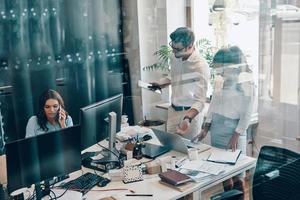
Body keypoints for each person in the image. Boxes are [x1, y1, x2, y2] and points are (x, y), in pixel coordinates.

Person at [192, 46, 255, 198]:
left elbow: (247, 112)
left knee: (237, 174)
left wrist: (236, 135)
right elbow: (214, 104)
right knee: (222, 174)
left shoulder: (246, 82)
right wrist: (206, 128)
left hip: (234, 131)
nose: (218, 72)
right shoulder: (220, 80)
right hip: (217, 130)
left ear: (231, 66)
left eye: (220, 68)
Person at [152, 27, 210, 139]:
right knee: (169, 148)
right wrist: (160, 83)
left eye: (177, 49)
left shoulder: (200, 66)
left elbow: (200, 101)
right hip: (173, 111)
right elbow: (173, 76)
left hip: (189, 115)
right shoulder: (174, 57)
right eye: (172, 47)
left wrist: (187, 119)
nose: (173, 51)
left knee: (187, 152)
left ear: (190, 46)